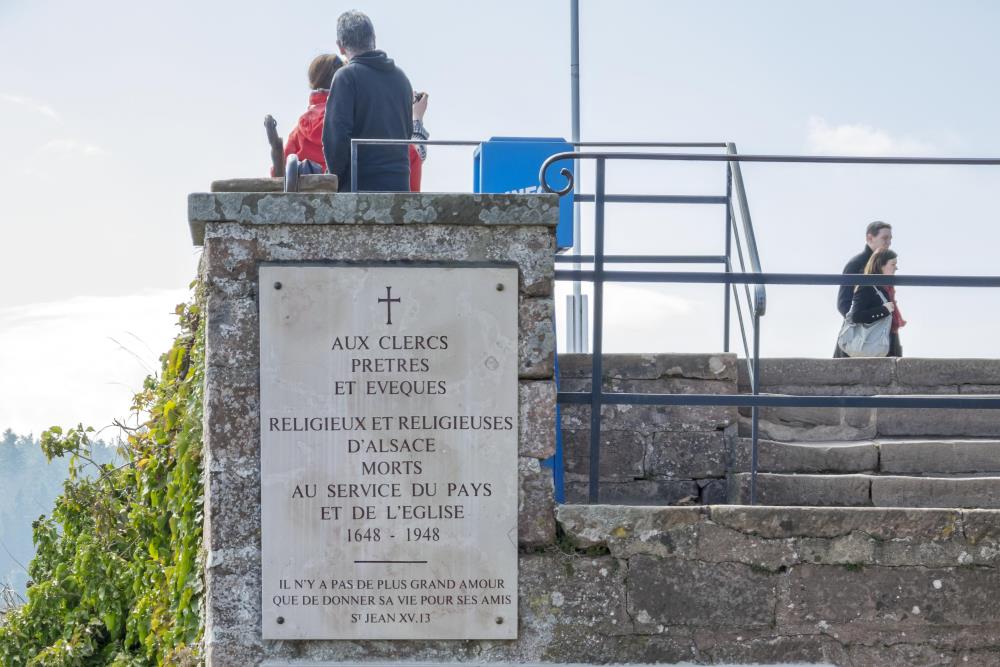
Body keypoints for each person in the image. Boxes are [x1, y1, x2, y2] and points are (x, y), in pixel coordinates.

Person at [322, 10, 413, 192]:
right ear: (374, 38)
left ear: (340, 47)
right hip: (400, 186)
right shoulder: (402, 79)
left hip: (359, 187)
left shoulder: (346, 77)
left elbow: (336, 141)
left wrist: (336, 181)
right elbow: (407, 133)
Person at [834, 221, 892, 357]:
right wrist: (878, 316)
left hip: (879, 338)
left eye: (890, 239)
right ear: (870, 238)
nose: (889, 242)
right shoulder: (857, 264)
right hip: (860, 341)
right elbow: (844, 305)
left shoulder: (883, 265)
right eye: (885, 238)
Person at [847, 248, 906, 357]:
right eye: (893, 264)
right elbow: (856, 316)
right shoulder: (866, 287)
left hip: (884, 344)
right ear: (880, 265)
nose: (896, 268)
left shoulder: (885, 288)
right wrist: (884, 310)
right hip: (871, 347)